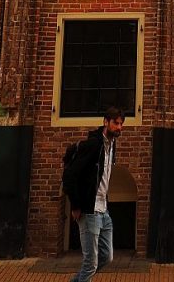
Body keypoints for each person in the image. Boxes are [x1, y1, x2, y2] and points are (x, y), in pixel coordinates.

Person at [62, 107, 125, 282]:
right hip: (89, 211)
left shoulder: (112, 145)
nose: (119, 127)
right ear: (106, 122)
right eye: (115, 123)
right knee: (90, 264)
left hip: (104, 210)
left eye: (121, 124)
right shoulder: (93, 145)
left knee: (106, 257)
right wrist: (75, 205)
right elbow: (70, 176)